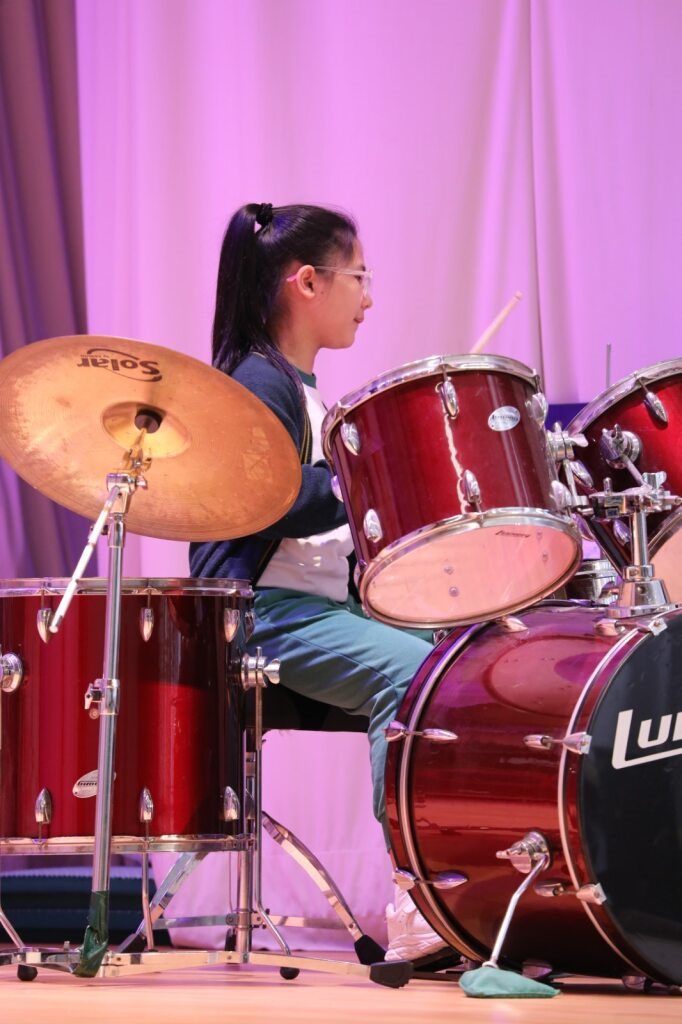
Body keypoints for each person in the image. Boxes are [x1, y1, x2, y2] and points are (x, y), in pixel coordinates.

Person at [189, 202, 447, 962]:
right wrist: (360, 478)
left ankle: (471, 888)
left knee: (459, 662)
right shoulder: (256, 383)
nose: (369, 297)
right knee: (412, 675)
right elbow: (261, 499)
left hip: (312, 609)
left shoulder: (298, 387)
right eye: (358, 276)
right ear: (307, 282)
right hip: (264, 615)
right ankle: (418, 902)